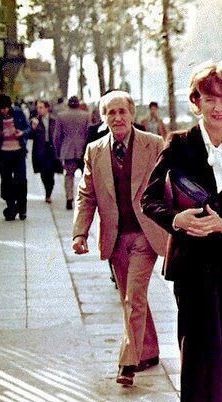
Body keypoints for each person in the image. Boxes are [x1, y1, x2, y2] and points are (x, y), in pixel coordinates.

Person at [141, 62, 222, 402]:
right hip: (191, 266)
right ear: (197, 102)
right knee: (197, 353)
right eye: (210, 99)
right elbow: (149, 199)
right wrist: (176, 220)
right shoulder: (179, 143)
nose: (218, 108)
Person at [72, 90, 168, 387]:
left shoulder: (154, 144)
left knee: (133, 297)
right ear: (103, 118)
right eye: (110, 113)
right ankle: (148, 350)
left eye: (122, 111)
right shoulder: (95, 150)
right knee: (131, 296)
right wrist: (80, 232)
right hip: (116, 237)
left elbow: (170, 185)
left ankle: (128, 362)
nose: (117, 118)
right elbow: (87, 194)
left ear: (132, 114)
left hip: (146, 233)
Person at [0, 94, 31, 220]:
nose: (3, 111)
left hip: (18, 152)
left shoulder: (18, 112)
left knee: (21, 180)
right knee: (6, 181)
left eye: (5, 108)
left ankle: (22, 209)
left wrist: (22, 133)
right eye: (0, 109)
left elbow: (27, 128)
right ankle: (11, 207)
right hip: (3, 153)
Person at [53, 95, 90, 210]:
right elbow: (89, 133)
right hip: (83, 150)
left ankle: (69, 198)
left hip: (67, 150)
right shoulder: (86, 115)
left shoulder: (61, 116)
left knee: (69, 175)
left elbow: (57, 136)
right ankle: (84, 198)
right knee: (85, 176)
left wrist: (58, 151)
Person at [31, 100, 61, 203]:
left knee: (51, 172)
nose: (39, 110)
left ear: (47, 108)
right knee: (43, 173)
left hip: (51, 149)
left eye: (41, 107)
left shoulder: (54, 120)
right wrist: (33, 128)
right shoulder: (36, 121)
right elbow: (30, 136)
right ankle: (47, 191)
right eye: (38, 108)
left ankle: (49, 193)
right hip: (41, 149)